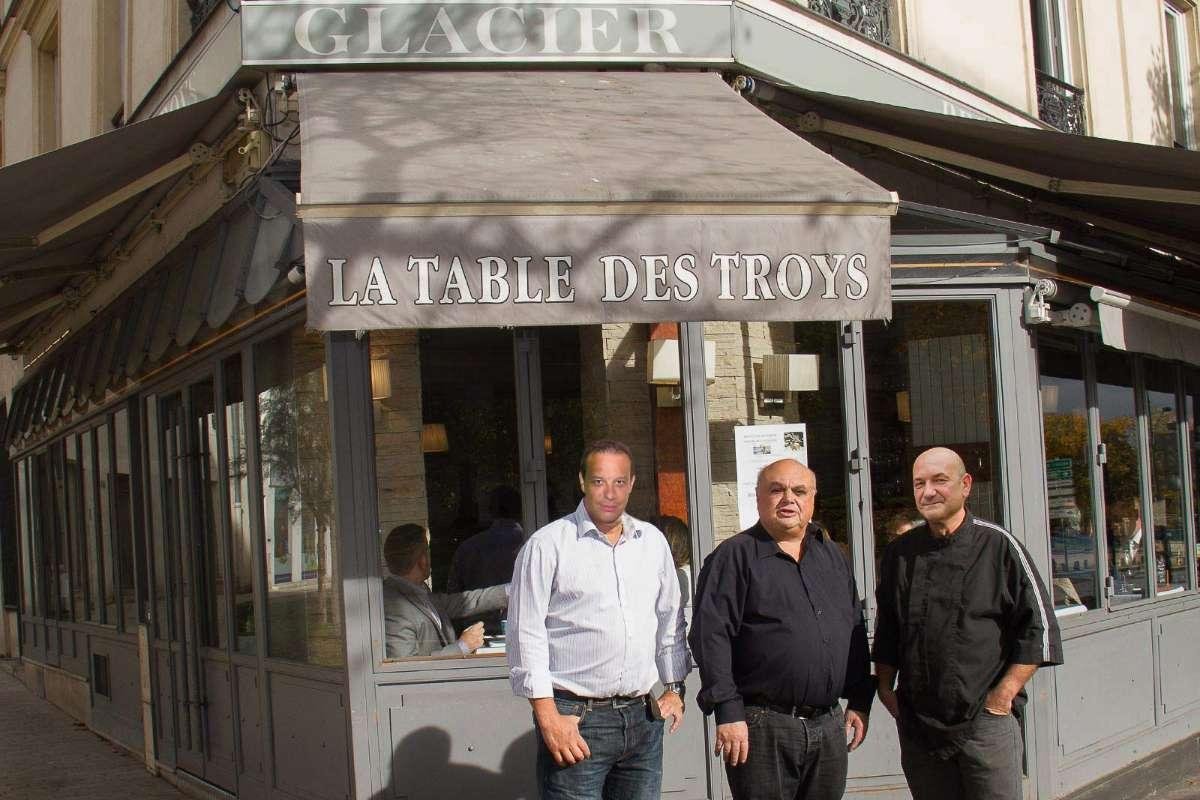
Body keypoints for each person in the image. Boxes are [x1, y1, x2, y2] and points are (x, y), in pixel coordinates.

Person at [874, 447, 1063, 800]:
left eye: (939, 481)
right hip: (919, 727)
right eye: (919, 483)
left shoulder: (999, 547)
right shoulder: (900, 554)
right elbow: (889, 627)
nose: (927, 491)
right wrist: (885, 685)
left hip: (985, 722)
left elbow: (1040, 629)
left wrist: (1003, 695)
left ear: (966, 485)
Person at [507, 439, 689, 800]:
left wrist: (675, 686)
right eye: (599, 481)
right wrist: (548, 718)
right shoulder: (548, 545)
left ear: (632, 483)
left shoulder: (651, 542)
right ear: (582, 481)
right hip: (576, 720)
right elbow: (524, 634)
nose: (610, 493)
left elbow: (670, 617)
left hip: (641, 719)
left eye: (619, 482)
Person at [689, 458, 873, 800]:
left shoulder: (832, 556)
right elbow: (710, 637)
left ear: (813, 498)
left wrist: (861, 698)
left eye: (799, 490)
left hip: (829, 725)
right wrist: (727, 711)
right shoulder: (733, 557)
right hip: (762, 728)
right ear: (758, 498)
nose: (789, 498)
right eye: (777, 490)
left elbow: (854, 628)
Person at [382, 523, 508, 658]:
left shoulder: (419, 591)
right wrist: (462, 646)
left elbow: (465, 602)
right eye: (428, 551)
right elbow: (405, 668)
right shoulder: (394, 606)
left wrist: (510, 591)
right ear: (422, 560)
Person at [447, 486, 525, 593]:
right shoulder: (531, 546)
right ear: (521, 510)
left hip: (477, 608)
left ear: (490, 510)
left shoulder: (467, 548)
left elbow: (453, 596)